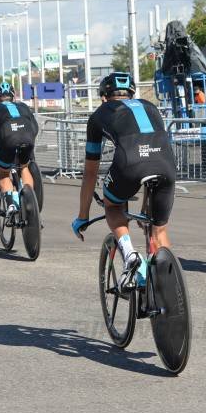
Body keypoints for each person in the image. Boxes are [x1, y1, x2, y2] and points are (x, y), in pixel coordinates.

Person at [71, 72, 176, 281]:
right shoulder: (150, 107)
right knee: (159, 230)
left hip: (130, 163)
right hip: (165, 163)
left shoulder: (98, 115)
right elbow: (152, 156)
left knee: (113, 206)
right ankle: (168, 291)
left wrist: (83, 217)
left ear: (103, 97)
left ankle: (130, 255)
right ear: (132, 93)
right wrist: (147, 208)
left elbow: (91, 171)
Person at [0, 82, 39, 223]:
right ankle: (30, 203)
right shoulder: (23, 106)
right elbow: (35, 128)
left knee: (4, 174)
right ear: (13, 97)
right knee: (24, 167)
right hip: (28, 137)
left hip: (8, 139)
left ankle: (12, 205)